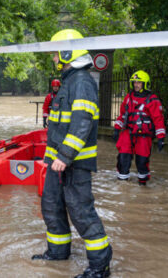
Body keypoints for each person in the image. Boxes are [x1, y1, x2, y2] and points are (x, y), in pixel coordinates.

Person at [31, 29, 112, 278]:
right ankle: (58, 253)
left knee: (80, 210)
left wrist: (65, 156)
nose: (54, 58)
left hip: (75, 163)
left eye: (56, 54)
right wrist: (54, 158)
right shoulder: (69, 82)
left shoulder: (82, 82)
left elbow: (82, 123)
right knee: (52, 206)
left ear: (68, 52)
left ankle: (100, 266)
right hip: (58, 162)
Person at [113, 70, 166, 186]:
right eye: (134, 82)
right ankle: (122, 186)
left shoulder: (152, 100)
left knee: (142, 162)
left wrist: (161, 137)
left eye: (139, 82)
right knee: (123, 159)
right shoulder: (128, 97)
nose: (136, 85)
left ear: (145, 84)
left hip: (144, 136)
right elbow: (122, 114)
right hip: (128, 133)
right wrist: (117, 128)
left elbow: (158, 119)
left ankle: (143, 185)